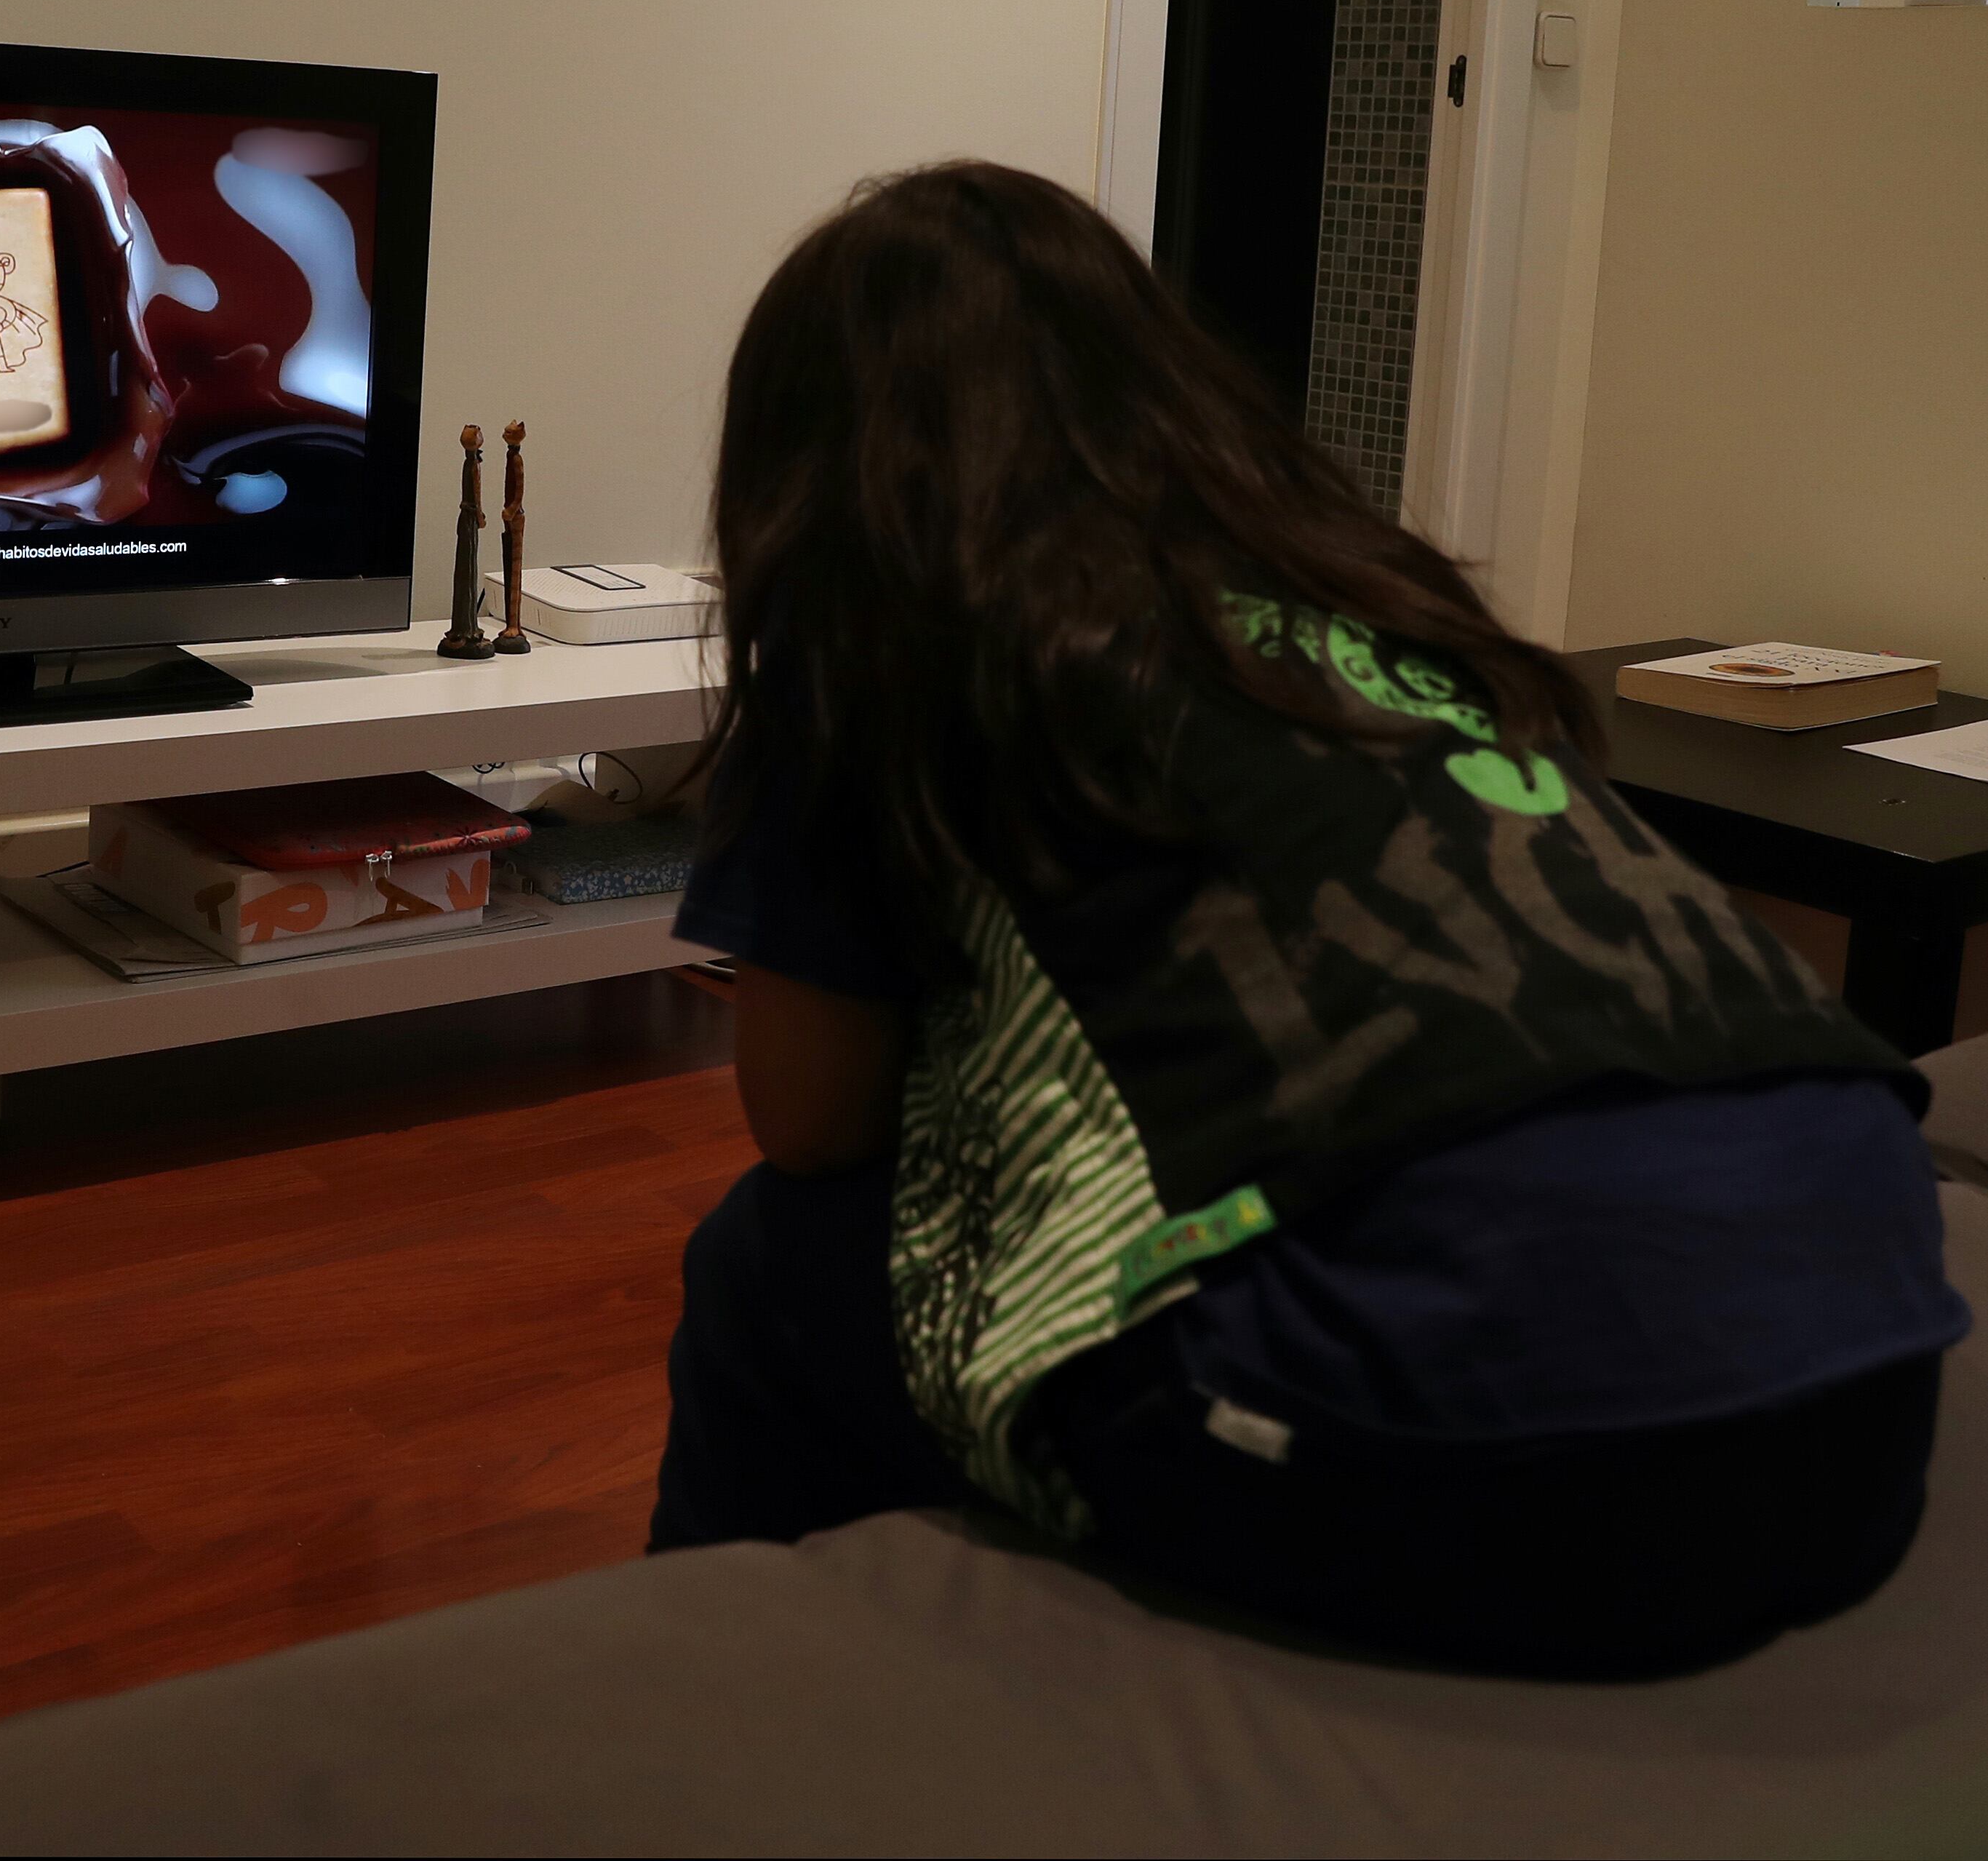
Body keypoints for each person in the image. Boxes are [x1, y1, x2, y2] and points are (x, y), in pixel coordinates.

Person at [655, 160, 1968, 1679]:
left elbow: (810, 1122)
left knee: (772, 1259)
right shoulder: (1368, 610)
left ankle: (707, 1715)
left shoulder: (876, 654)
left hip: (1538, 1462)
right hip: (1874, 1381)